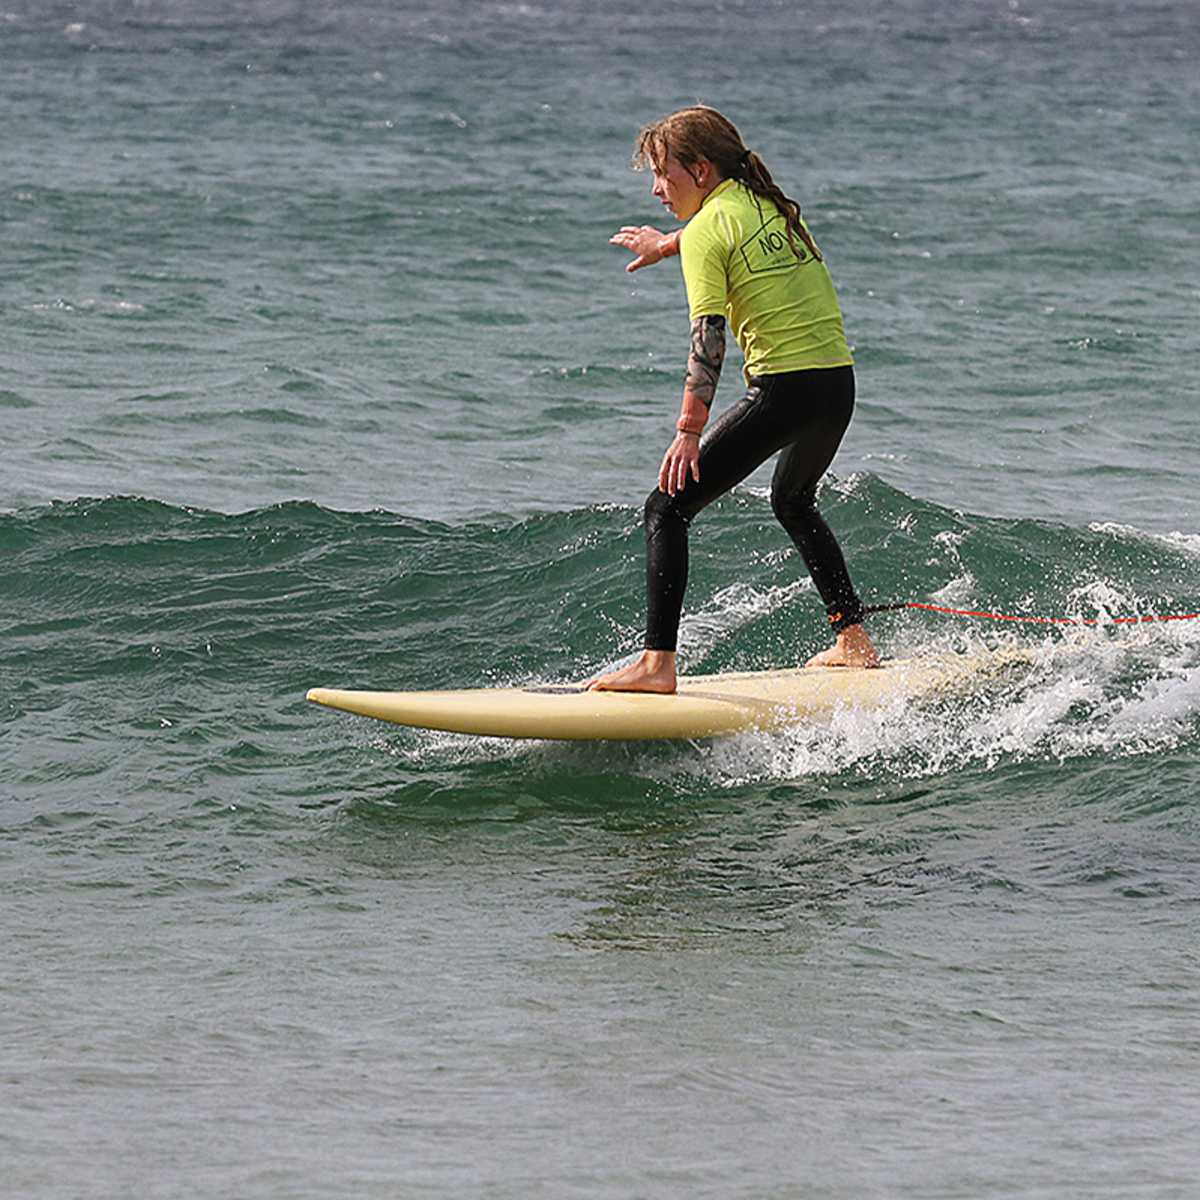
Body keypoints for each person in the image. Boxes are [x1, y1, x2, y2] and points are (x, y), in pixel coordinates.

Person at [588, 106, 878, 694]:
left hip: (784, 388)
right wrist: (667, 243)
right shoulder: (769, 205)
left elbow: (709, 340)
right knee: (793, 500)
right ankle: (854, 642)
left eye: (664, 174)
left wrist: (689, 429)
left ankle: (656, 664)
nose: (656, 187)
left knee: (665, 508)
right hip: (836, 384)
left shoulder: (705, 232)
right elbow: (717, 232)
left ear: (699, 169)